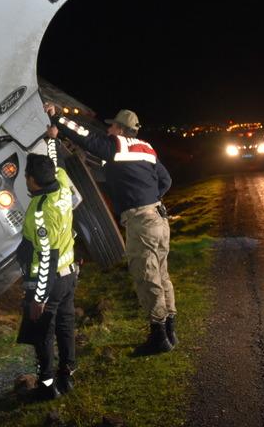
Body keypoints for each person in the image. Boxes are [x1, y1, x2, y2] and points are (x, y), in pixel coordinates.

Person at [44, 104, 176, 355]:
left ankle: (158, 335)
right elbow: (166, 180)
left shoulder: (117, 146)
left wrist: (56, 118)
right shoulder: (146, 149)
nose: (108, 129)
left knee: (146, 276)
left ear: (120, 129)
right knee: (162, 274)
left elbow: (85, 137)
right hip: (159, 217)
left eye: (112, 125)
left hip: (142, 221)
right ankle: (170, 330)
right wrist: (149, 198)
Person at [15, 149, 78, 400]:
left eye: (26, 177)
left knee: (42, 335)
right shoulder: (62, 183)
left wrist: (39, 298)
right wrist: (51, 140)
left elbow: (47, 260)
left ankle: (47, 386)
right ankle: (67, 375)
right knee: (65, 326)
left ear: (32, 180)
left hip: (50, 283)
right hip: (69, 276)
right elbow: (59, 163)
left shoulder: (40, 213)